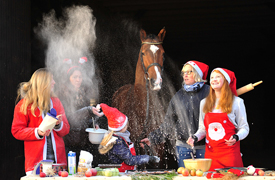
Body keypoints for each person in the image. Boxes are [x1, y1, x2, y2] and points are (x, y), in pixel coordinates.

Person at [140, 61, 210, 167]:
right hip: (183, 147)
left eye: (189, 72)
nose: (185, 75)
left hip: (205, 147)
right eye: (183, 73)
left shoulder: (210, 93)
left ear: (198, 74)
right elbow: (169, 123)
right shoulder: (178, 96)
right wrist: (153, 138)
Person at [187, 68, 249, 171]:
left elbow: (245, 128)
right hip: (211, 157)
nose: (214, 79)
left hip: (230, 156)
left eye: (218, 77)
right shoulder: (204, 103)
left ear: (226, 80)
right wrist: (195, 137)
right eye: (212, 77)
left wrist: (236, 137)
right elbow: (203, 129)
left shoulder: (237, 102)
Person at [11, 68, 70, 175]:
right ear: (43, 83)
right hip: (36, 163)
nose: (54, 82)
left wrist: (58, 125)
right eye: (51, 80)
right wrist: (37, 132)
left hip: (58, 163)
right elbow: (16, 131)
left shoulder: (56, 102)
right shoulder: (24, 105)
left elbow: (66, 130)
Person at [56, 57, 106, 167]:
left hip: (83, 140)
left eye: (80, 77)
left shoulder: (83, 93)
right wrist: (88, 110)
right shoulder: (62, 95)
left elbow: (86, 116)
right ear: (68, 78)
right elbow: (69, 117)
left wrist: (93, 124)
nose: (78, 79)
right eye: (75, 77)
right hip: (69, 141)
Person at [98, 103, 160, 172]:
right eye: (126, 124)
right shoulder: (118, 142)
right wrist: (148, 158)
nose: (127, 126)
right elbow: (130, 160)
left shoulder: (115, 137)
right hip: (121, 174)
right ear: (121, 128)